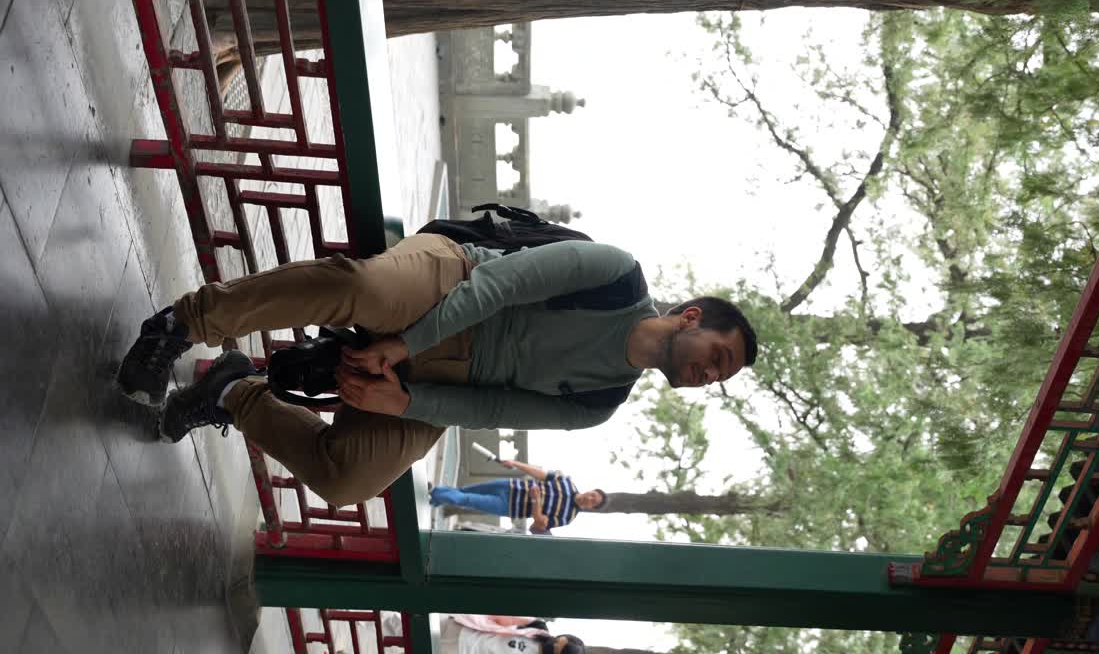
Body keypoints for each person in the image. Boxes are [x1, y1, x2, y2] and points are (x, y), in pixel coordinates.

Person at [115, 233, 758, 505]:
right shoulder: (617, 275)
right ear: (691, 316)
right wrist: (405, 343)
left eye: (719, 378)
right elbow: (502, 283)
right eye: (718, 357)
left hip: (445, 383)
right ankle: (184, 323)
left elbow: (495, 409)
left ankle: (230, 392)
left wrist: (404, 403)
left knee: (349, 481)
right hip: (453, 283)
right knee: (364, 287)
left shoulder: (601, 403)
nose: (710, 375)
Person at [431, 459, 604, 534]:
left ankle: (434, 492)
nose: (589, 499)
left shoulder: (568, 517)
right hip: (509, 485)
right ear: (591, 490)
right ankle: (436, 497)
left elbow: (540, 523)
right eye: (592, 495)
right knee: (464, 491)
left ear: (590, 508)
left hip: (507, 505)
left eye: (593, 502)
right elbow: (540, 474)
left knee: (467, 500)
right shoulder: (567, 481)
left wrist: (536, 501)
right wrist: (515, 464)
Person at [440, 614, 584, 654]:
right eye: (557, 640)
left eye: (556, 649)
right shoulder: (537, 627)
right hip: (462, 630)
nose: (553, 644)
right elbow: (502, 617)